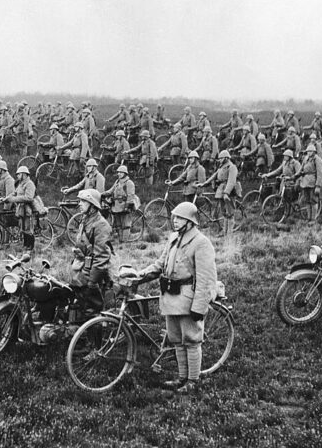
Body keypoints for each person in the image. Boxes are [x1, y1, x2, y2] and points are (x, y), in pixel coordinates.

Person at [136, 202, 217, 393]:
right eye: (174, 217)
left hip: (188, 297)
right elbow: (160, 264)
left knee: (191, 339)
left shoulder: (201, 242)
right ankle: (182, 378)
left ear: (190, 222)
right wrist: (140, 275)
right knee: (176, 340)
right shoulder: (174, 238)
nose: (175, 220)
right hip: (171, 297)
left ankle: (193, 381)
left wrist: (199, 306)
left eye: (180, 218)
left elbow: (206, 278)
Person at [70, 189, 114, 315]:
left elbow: (101, 257)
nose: (79, 204)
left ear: (93, 205)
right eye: (80, 201)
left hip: (92, 272)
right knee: (76, 304)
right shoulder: (85, 220)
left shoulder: (101, 225)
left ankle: (95, 333)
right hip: (81, 270)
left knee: (92, 310)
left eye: (83, 201)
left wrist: (92, 282)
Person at [197, 150, 240, 234]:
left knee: (230, 213)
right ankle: (225, 232)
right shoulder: (221, 167)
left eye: (221, 158)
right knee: (224, 212)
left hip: (229, 192)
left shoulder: (231, 167)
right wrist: (204, 184)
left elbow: (231, 181)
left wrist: (226, 193)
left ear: (226, 158)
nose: (219, 160)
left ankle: (229, 234)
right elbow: (213, 176)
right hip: (221, 190)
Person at [2, 166, 37, 253]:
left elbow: (29, 198)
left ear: (24, 174)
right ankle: (25, 245)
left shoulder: (30, 184)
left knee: (28, 228)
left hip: (28, 209)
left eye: (19, 174)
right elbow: (14, 193)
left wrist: (13, 199)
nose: (17, 176)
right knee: (23, 227)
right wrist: (6, 199)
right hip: (21, 209)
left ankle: (31, 247)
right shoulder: (21, 184)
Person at [102, 165, 136, 242]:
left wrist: (127, 206)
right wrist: (103, 194)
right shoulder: (117, 182)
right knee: (118, 224)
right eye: (118, 172)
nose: (119, 174)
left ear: (125, 173)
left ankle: (125, 240)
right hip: (116, 206)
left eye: (121, 172)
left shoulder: (129, 183)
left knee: (126, 224)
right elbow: (111, 191)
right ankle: (121, 239)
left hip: (124, 205)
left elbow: (131, 196)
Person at [296, 144, 322, 221]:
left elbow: (320, 173)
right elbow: (301, 169)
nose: (309, 153)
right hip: (305, 182)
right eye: (308, 151)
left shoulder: (317, 160)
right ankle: (308, 218)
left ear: (314, 152)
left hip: (313, 182)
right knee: (307, 200)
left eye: (311, 151)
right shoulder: (305, 159)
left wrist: (318, 186)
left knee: (313, 201)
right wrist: (295, 176)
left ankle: (313, 218)